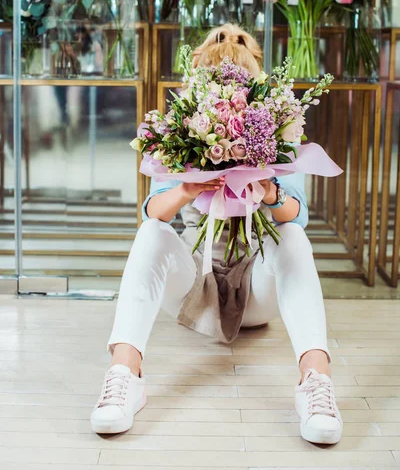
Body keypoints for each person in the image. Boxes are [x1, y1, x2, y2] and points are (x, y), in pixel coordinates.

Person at [91, 24, 343, 445]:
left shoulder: (279, 129)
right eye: (220, 42)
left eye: (240, 43)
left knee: (294, 238)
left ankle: (315, 382)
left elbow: (296, 216)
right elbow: (152, 211)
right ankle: (125, 375)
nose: (229, 49)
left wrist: (267, 189)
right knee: (152, 233)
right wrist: (187, 188)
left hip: (257, 292)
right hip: (194, 288)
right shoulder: (182, 128)